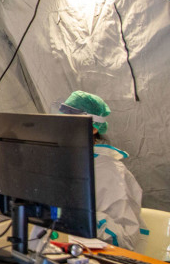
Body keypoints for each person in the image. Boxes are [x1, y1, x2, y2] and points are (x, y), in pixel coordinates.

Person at [58, 91, 142, 250]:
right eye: (62, 118)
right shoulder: (66, 162)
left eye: (71, 119)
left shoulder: (110, 172)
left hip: (101, 256)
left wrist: (78, 216)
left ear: (94, 128)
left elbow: (125, 240)